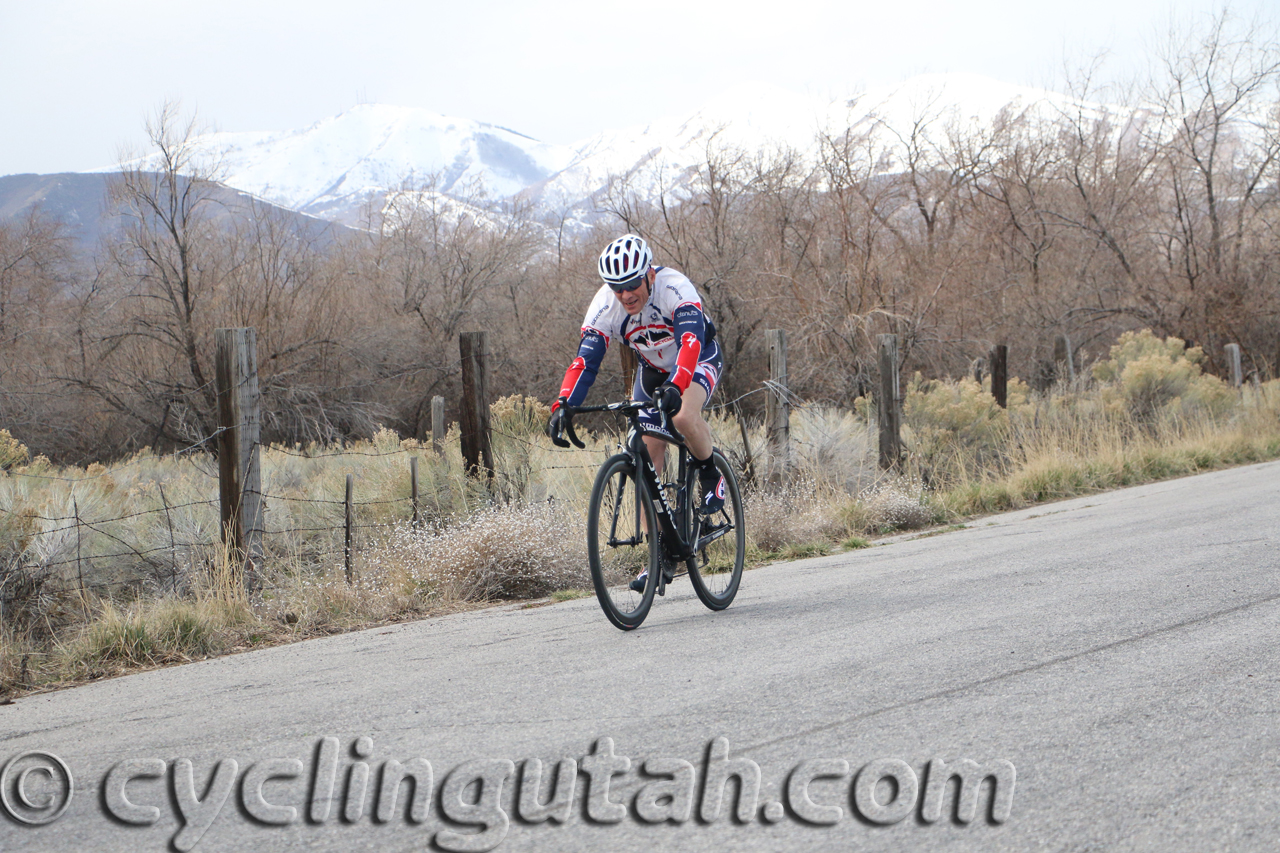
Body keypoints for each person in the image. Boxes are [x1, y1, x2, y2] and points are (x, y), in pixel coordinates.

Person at [547, 234, 726, 591]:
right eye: (617, 288)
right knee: (647, 448)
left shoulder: (674, 288)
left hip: (697, 357)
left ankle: (710, 475)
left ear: (649, 275)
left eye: (631, 285)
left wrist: (677, 387)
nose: (626, 295)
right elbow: (586, 360)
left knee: (683, 418)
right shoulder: (606, 307)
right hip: (654, 369)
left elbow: (690, 341)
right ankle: (660, 557)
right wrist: (563, 403)